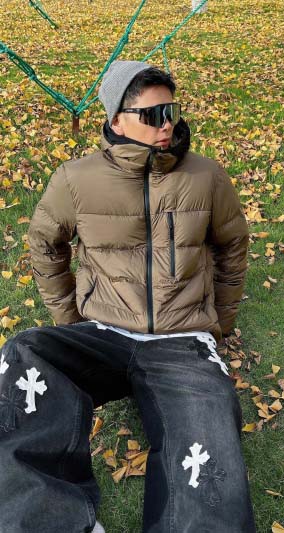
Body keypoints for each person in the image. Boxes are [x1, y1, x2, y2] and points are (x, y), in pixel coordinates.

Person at [0, 60, 256, 533]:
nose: (167, 124)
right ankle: (49, 520)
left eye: (171, 111)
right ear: (117, 120)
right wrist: (70, 319)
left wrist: (219, 323)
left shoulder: (207, 176)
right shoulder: (76, 179)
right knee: (24, 351)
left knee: (210, 434)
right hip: (104, 332)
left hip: (182, 340)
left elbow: (232, 246)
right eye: (153, 115)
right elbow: (44, 242)